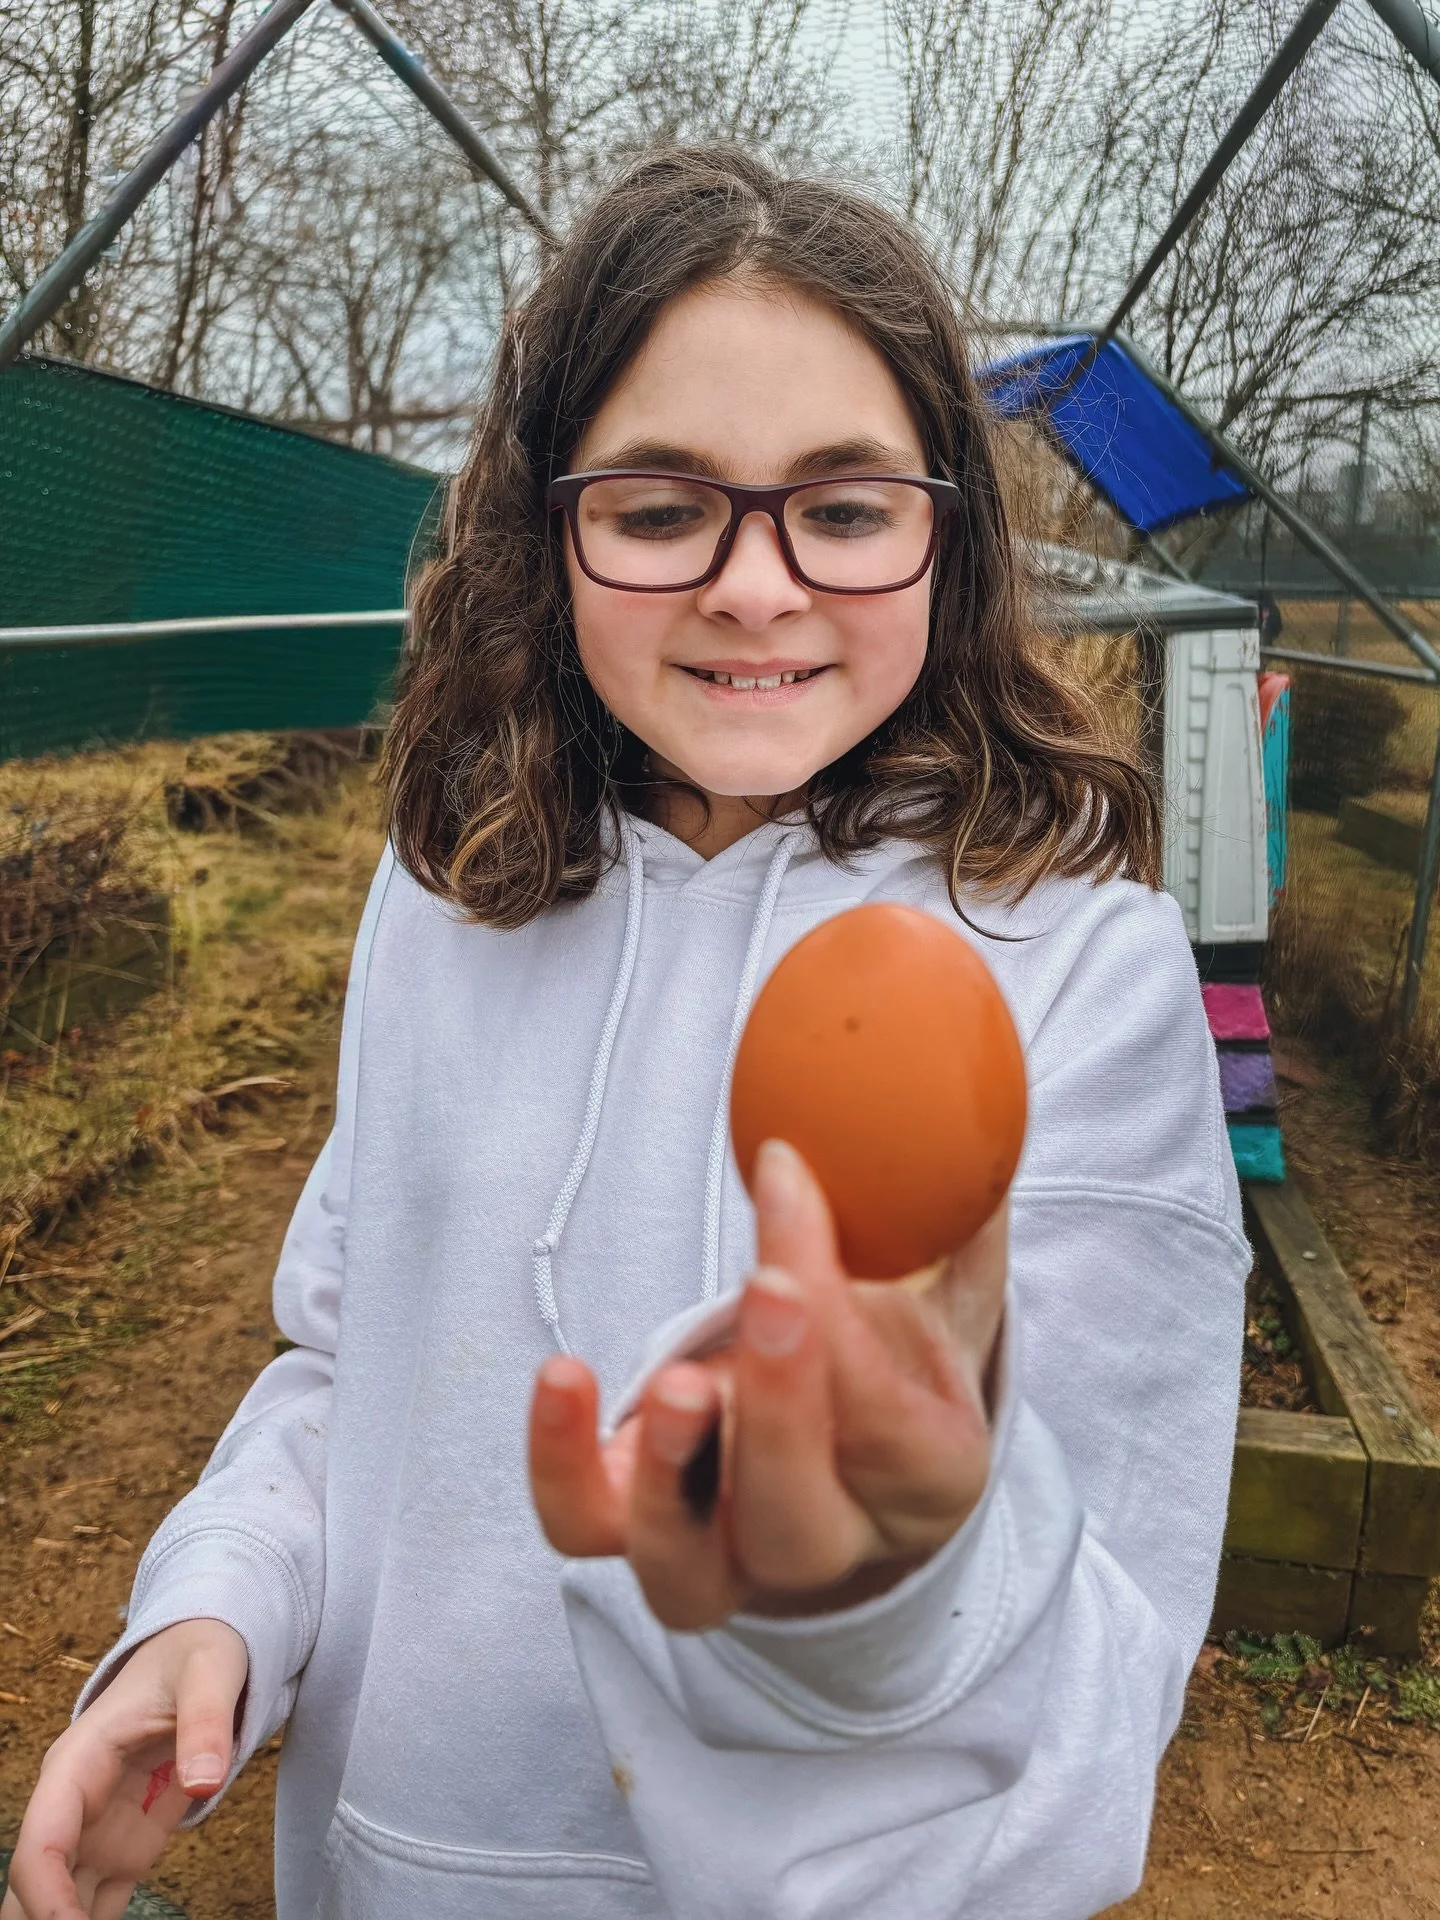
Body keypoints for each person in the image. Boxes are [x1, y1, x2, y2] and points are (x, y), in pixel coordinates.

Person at [3, 146, 1247, 1920]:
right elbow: (357, 1364)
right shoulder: (453, 892)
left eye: (844, 508)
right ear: (547, 531)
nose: (755, 586)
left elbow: (1097, 1696)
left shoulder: (1067, 968)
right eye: (661, 510)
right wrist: (220, 1601)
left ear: (949, 535)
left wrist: (874, 1583)